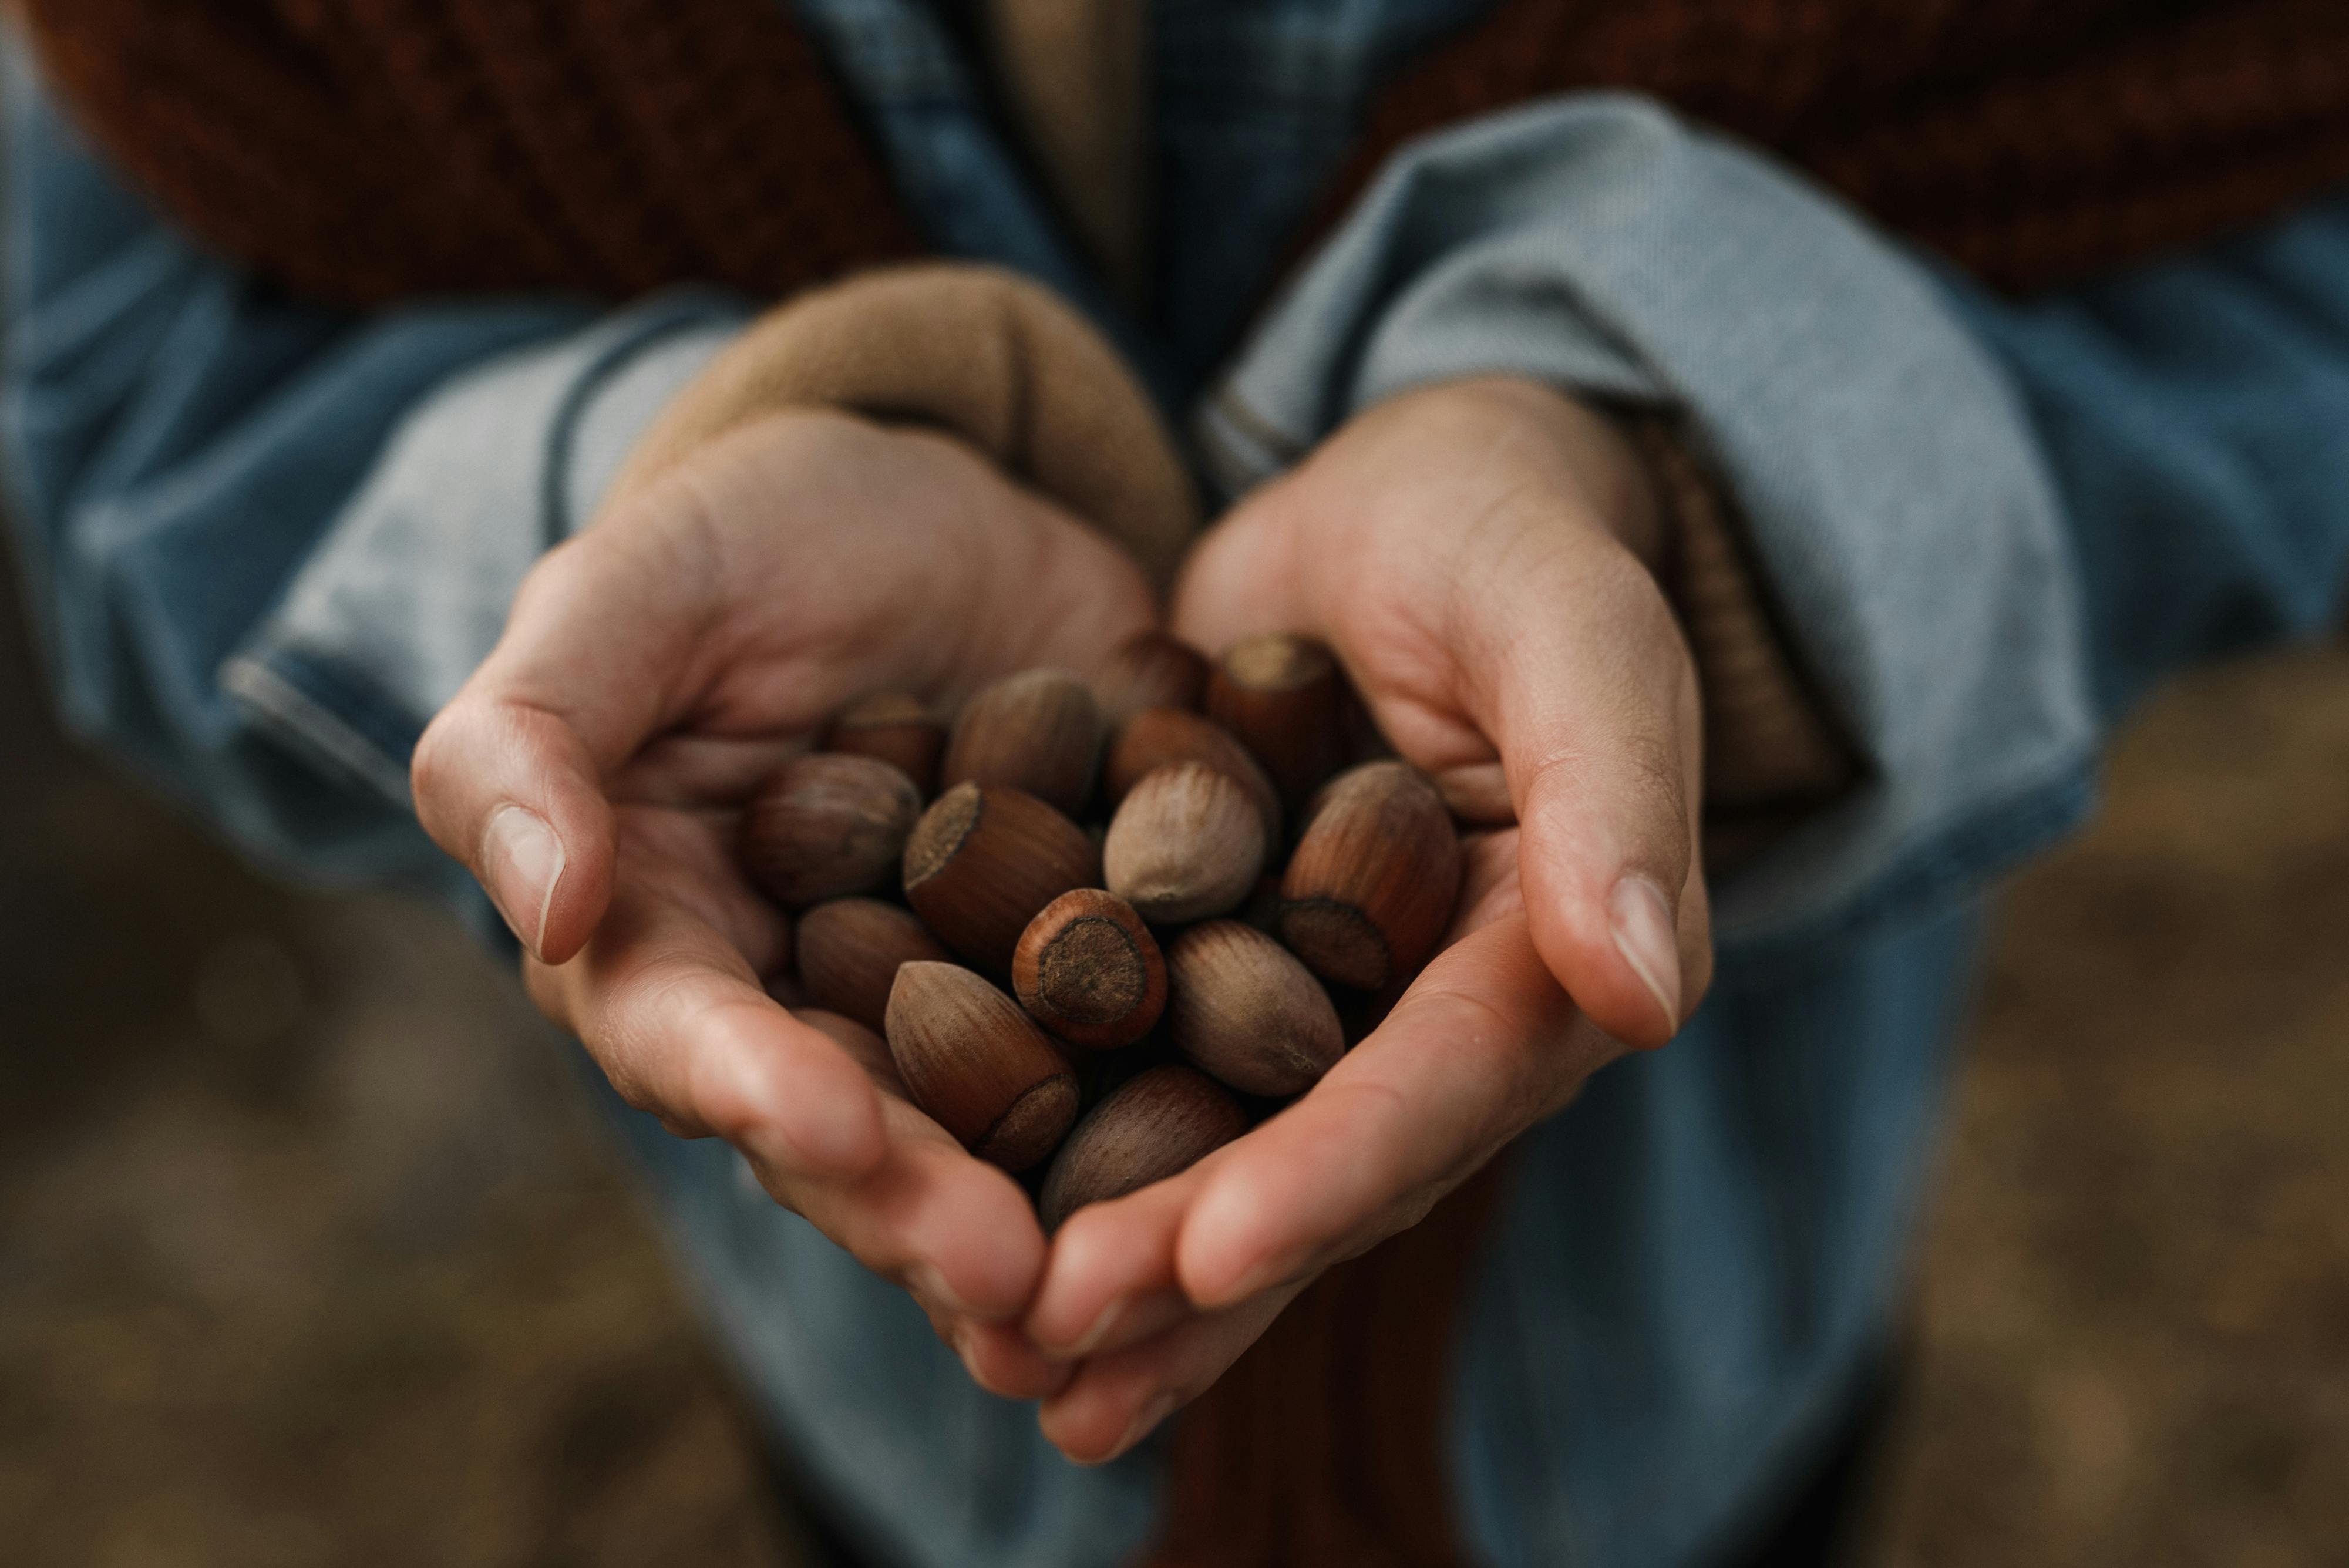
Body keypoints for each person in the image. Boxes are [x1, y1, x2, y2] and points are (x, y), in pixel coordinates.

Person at [7, 4, 2349, 1565]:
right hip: (908, 1410)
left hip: (1688, 1372)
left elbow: (2286, 274)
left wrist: (1690, 509)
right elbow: (118, 389)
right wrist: (626, 521)